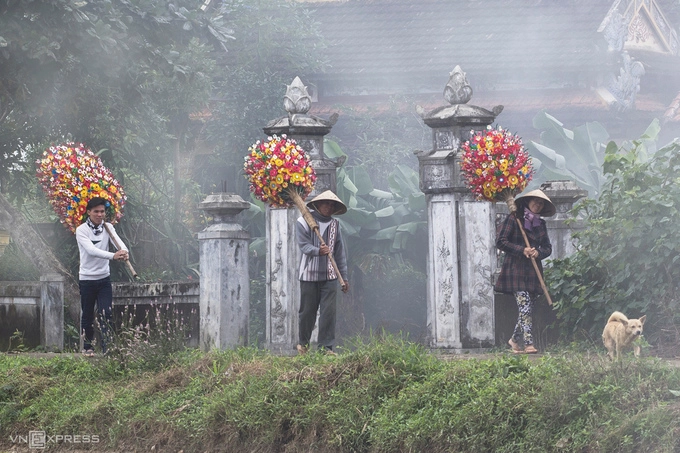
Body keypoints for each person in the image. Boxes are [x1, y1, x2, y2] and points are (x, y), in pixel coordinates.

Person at [494, 189, 555, 354]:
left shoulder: (540, 224)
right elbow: (501, 241)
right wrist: (522, 250)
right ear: (527, 202)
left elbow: (548, 248)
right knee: (525, 306)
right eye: (535, 201)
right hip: (515, 270)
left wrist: (538, 252)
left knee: (527, 308)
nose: (537, 204)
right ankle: (528, 343)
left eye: (541, 203)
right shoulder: (514, 219)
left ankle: (514, 340)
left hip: (533, 273)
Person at [296, 190, 349, 355]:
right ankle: (303, 345)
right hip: (309, 275)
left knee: (328, 312)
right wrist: (318, 250)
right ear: (318, 204)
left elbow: (339, 253)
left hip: (330, 276)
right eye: (326, 203)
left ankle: (326, 348)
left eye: (332, 205)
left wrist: (344, 278)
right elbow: (303, 245)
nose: (329, 207)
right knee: (307, 312)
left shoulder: (335, 225)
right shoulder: (303, 222)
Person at [75, 197, 129, 356]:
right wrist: (114, 256)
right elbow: (92, 251)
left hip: (104, 279)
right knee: (87, 314)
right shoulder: (82, 230)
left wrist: (124, 252)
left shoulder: (109, 227)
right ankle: (87, 347)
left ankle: (108, 348)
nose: (99, 215)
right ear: (89, 212)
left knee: (106, 313)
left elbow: (120, 244)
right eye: (96, 211)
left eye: (102, 212)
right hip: (87, 279)